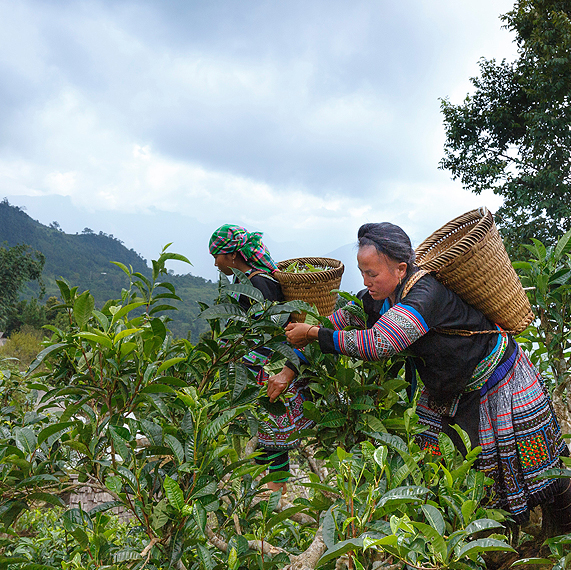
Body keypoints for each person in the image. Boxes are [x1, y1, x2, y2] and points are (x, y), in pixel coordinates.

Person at [270, 221, 571, 532]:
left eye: (372, 273)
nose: (366, 281)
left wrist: (315, 333)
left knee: (537, 463)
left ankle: (560, 533)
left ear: (401, 269)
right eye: (362, 273)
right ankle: (485, 542)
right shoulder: (377, 297)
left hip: (499, 378)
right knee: (453, 468)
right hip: (453, 388)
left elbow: (381, 343)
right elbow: (334, 322)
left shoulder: (425, 293)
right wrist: (289, 367)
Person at [209, 224, 313, 494]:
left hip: (269, 370)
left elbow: (269, 330)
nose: (215, 263)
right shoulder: (248, 281)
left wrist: (244, 362)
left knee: (272, 440)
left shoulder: (259, 283)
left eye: (216, 256)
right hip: (259, 368)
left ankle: (275, 492)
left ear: (232, 255)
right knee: (263, 436)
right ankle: (269, 490)